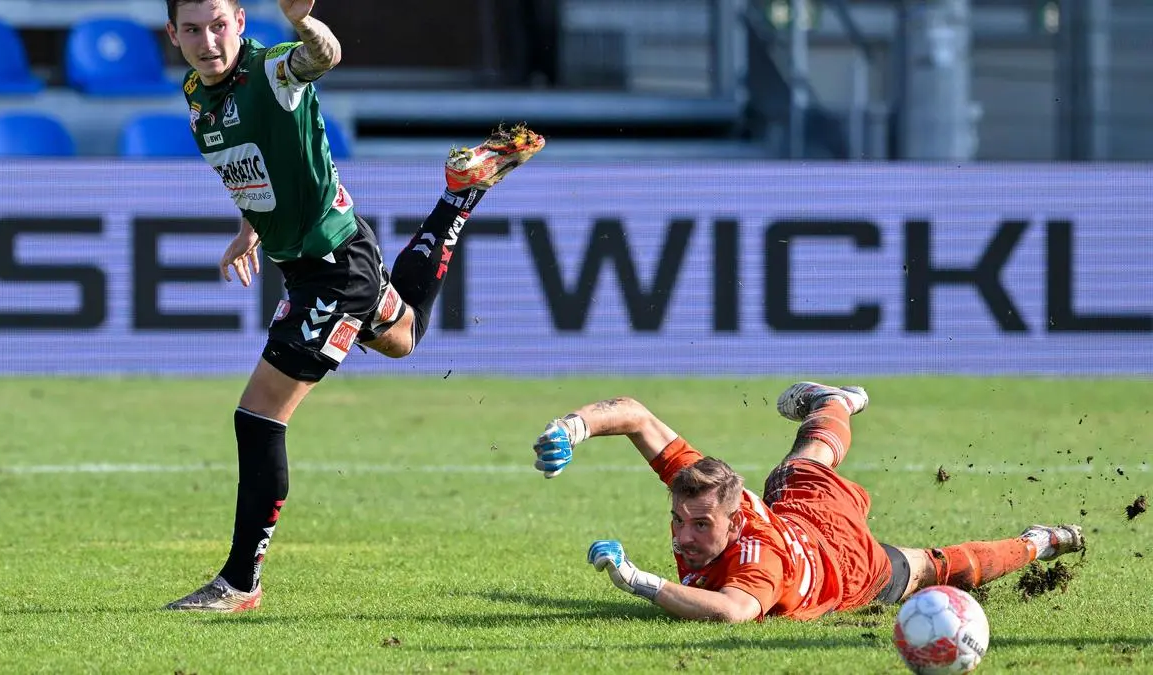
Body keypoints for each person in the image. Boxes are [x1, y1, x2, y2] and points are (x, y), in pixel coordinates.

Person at [163, 0, 544, 612]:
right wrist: (249, 228)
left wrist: (302, 23)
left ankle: (239, 583)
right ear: (173, 34)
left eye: (218, 25)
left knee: (258, 416)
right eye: (192, 29)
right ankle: (459, 196)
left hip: (332, 271)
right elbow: (256, 162)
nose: (207, 40)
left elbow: (323, 56)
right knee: (402, 338)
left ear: (240, 22)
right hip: (321, 260)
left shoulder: (272, 70)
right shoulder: (195, 92)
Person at [531, 382, 1084, 623]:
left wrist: (637, 580)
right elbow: (634, 414)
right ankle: (833, 401)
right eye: (678, 520)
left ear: (735, 521)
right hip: (803, 517)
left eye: (700, 526)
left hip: (851, 569)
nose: (683, 536)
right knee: (802, 465)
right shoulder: (711, 492)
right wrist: (571, 428)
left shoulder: (757, 564)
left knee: (938, 568)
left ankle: (1039, 542)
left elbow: (731, 611)